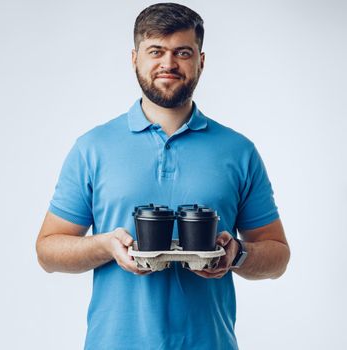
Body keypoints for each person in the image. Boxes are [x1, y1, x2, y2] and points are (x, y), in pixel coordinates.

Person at [36, 3, 290, 349]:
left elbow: (277, 256)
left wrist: (237, 254)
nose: (168, 64)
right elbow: (48, 250)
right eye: (156, 51)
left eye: (182, 52)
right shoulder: (92, 148)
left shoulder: (238, 151)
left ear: (201, 60)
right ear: (134, 59)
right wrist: (105, 245)